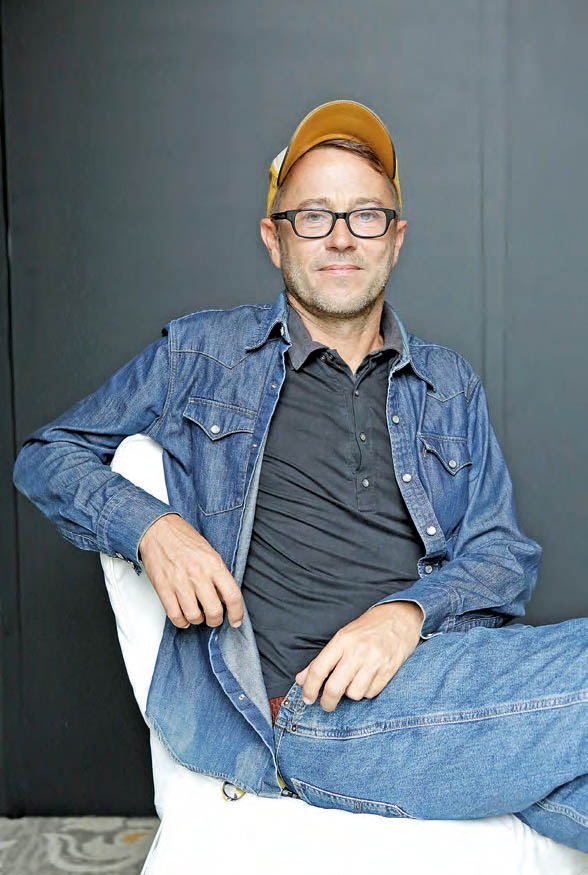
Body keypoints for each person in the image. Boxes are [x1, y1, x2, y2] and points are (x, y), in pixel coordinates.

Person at [13, 100, 587, 852]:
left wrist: (406, 615)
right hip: (309, 711)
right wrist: (153, 528)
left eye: (366, 216)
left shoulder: (449, 385)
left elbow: (502, 555)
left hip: (451, 675)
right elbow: (46, 455)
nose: (342, 236)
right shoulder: (203, 355)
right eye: (314, 216)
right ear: (274, 237)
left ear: (396, 238)